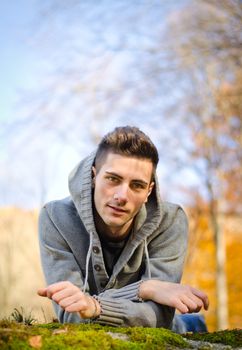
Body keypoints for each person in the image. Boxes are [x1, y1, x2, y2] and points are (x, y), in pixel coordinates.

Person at [38, 126, 209, 329]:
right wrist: (144, 288)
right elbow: (72, 315)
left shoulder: (170, 221)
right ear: (94, 177)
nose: (121, 196)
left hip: (175, 332)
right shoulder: (56, 218)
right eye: (113, 179)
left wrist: (94, 306)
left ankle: (193, 324)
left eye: (136, 185)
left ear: (148, 191)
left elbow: (161, 318)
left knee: (184, 325)